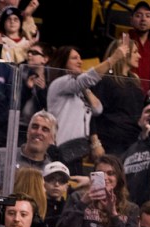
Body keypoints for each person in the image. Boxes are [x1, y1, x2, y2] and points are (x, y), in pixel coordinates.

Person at [47, 43, 127, 173]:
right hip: (60, 151)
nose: (80, 61)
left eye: (80, 58)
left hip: (75, 152)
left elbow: (97, 109)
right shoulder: (59, 83)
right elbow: (88, 78)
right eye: (74, 58)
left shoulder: (79, 89)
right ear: (63, 61)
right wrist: (113, 60)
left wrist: (84, 88)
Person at [91, 37, 147, 159]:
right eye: (135, 52)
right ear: (124, 53)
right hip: (111, 142)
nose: (139, 56)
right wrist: (95, 142)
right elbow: (92, 113)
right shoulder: (105, 80)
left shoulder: (135, 80)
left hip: (133, 141)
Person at [0, 109, 59, 174]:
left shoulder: (51, 172)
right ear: (28, 131)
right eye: (35, 127)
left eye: (45, 129)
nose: (38, 132)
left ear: (53, 139)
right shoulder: (0, 156)